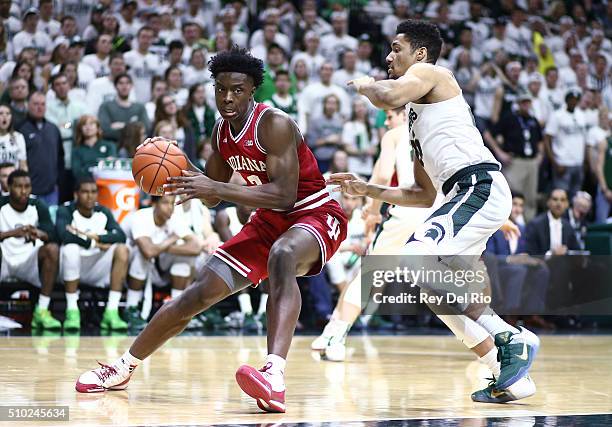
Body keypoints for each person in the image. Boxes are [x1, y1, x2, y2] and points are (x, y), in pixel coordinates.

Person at [76, 47, 348, 414]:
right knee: (196, 295)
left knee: (282, 255)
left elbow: (284, 196)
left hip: (313, 213)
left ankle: (275, 375)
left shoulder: (274, 124)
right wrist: (172, 162)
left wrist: (216, 188)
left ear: (253, 89)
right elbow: (209, 195)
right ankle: (124, 367)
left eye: (237, 89)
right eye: (221, 89)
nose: (228, 98)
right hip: (269, 220)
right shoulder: (221, 130)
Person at [329, 20, 539, 403]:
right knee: (432, 289)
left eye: (396, 48)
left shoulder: (431, 73)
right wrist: (368, 188)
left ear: (419, 53)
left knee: (414, 256)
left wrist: (363, 85)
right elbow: (424, 194)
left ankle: (513, 336)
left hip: (478, 184)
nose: (389, 56)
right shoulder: (415, 121)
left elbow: (386, 94)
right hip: (458, 193)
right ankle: (506, 373)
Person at [56, 177, 130, 331]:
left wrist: (98, 237)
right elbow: (63, 235)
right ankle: (72, 311)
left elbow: (120, 236)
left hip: (97, 267)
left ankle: (112, 311)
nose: (90, 196)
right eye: (85, 192)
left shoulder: (103, 212)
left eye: (93, 192)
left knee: (122, 250)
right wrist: (93, 243)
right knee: (70, 248)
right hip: (71, 266)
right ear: (76, 194)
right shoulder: (65, 210)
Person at [120, 195, 202, 330]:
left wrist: (160, 247)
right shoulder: (141, 217)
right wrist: (169, 240)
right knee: (141, 256)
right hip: (124, 269)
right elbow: (148, 251)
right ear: (153, 204)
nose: (170, 208)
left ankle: (177, 311)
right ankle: (131, 308)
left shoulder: (174, 219)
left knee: (185, 259)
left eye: (172, 203)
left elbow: (196, 247)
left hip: (158, 266)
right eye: (165, 203)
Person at [0, 170, 60, 329]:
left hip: (28, 260)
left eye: (27, 186)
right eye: (18, 186)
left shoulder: (38, 205)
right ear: (9, 187)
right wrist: (14, 233)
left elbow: (54, 235)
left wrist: (39, 233)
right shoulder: (1, 203)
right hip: (4, 259)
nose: (24, 190)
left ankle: (42, 310)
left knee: (52, 250)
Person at [18, 92, 64, 206]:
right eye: (36, 104)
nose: (39, 107)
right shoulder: (20, 129)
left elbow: (60, 158)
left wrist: (58, 183)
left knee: (50, 223)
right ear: (28, 105)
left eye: (43, 104)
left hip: (52, 191)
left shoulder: (53, 129)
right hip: (28, 191)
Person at [98, 73, 150, 143]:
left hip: (136, 146)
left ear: (131, 86)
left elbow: (146, 128)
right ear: (115, 86)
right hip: (113, 146)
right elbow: (105, 131)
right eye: (121, 83)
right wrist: (134, 128)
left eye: (127, 83)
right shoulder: (106, 106)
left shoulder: (140, 107)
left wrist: (123, 125)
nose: (124, 86)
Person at [71, 115, 117, 180]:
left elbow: (110, 167)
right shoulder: (76, 150)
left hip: (104, 182)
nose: (88, 127)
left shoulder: (109, 146)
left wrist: (87, 168)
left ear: (98, 127)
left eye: (91, 124)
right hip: (84, 185)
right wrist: (100, 165)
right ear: (80, 129)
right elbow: (77, 172)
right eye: (84, 124)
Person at [0, 105, 28, 170]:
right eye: (1, 113)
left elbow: (23, 165)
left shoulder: (18, 137)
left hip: (13, 178)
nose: (5, 116)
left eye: (8, 113)